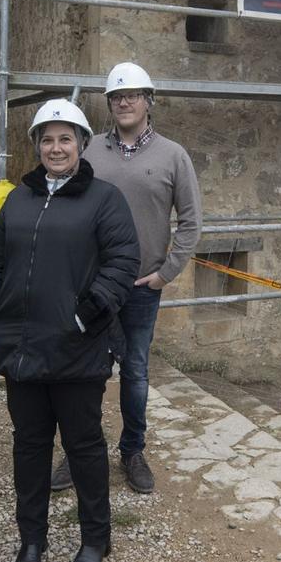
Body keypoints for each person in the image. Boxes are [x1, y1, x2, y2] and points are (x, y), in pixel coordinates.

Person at [0, 98, 139, 562]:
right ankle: (32, 539)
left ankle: (95, 537)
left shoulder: (104, 199)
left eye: (66, 138)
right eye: (47, 139)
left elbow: (124, 260)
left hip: (76, 347)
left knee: (84, 446)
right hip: (22, 348)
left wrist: (88, 311)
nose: (56, 147)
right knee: (28, 445)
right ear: (37, 147)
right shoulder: (20, 200)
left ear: (83, 144)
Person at [67, 62, 201, 495]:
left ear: (149, 101)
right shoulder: (90, 153)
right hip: (94, 285)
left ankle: (132, 450)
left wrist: (167, 273)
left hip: (143, 286)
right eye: (117, 97)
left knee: (136, 372)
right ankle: (79, 452)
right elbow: (70, 210)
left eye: (133, 95)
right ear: (109, 104)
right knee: (85, 371)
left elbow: (192, 222)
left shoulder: (173, 155)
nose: (124, 102)